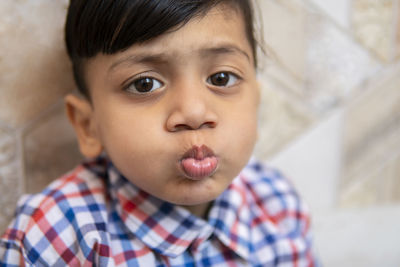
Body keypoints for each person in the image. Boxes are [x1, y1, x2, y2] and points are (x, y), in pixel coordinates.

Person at [0, 0, 319, 266]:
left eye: (221, 78)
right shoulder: (57, 235)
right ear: (88, 125)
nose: (194, 113)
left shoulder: (278, 207)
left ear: (255, 103)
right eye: (144, 84)